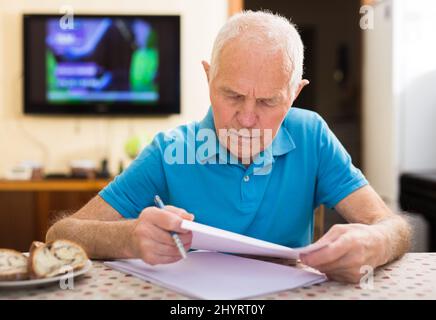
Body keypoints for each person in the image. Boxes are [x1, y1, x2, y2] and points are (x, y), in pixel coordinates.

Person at [47, 10, 411, 283]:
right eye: (232, 95)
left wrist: (374, 241)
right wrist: (127, 237)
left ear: (295, 94)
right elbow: (61, 234)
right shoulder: (171, 149)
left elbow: (392, 226)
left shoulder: (311, 135)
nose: (247, 118)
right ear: (209, 78)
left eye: (269, 102)